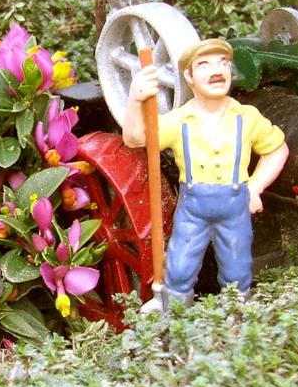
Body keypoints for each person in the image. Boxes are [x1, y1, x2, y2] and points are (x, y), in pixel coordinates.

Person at [122, 38, 289, 311]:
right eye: (204, 65)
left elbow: (277, 149)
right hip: (193, 209)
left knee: (237, 272)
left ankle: (234, 326)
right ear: (189, 76)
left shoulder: (246, 117)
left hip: (234, 206)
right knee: (179, 270)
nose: (217, 71)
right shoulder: (178, 121)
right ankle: (174, 324)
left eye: (223, 63)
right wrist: (136, 98)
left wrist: (256, 187)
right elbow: (135, 138)